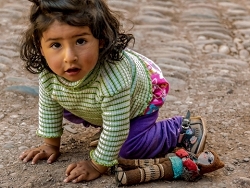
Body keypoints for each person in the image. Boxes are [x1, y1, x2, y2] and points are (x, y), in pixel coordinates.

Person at [19, 0, 207, 184]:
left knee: (126, 149)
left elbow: (117, 128)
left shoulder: (112, 80)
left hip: (139, 102)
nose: (69, 57)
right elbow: (48, 106)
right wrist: (50, 145)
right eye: (56, 45)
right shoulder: (49, 72)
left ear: (101, 39)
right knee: (60, 99)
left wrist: (97, 164)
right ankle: (106, 125)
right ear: (40, 46)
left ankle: (181, 128)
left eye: (81, 41)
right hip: (97, 102)